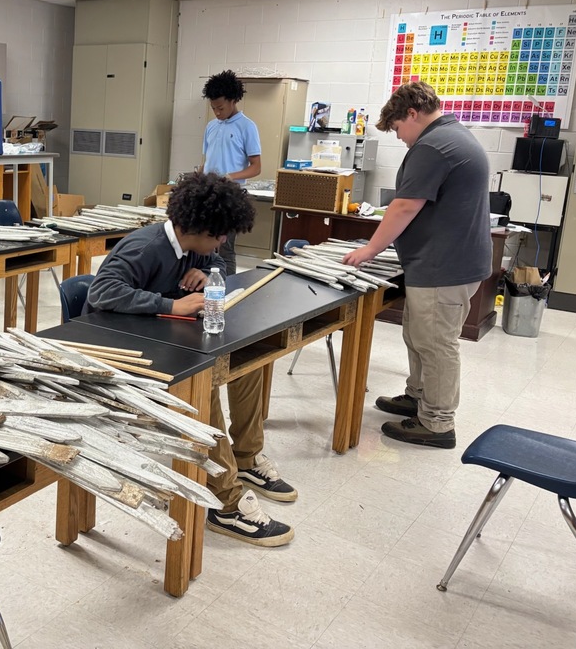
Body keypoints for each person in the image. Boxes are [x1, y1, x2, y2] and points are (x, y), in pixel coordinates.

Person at [85, 171, 296, 547]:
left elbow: (221, 265)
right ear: (197, 226)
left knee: (248, 361)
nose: (223, 241)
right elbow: (102, 293)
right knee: (203, 384)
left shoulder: (195, 246)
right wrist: (172, 304)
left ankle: (246, 459)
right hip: (120, 348)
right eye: (219, 235)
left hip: (161, 338)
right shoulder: (146, 247)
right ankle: (227, 503)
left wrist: (208, 270)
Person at [342, 82, 491, 449]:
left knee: (437, 343)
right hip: (443, 263)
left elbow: (406, 205)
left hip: (445, 267)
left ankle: (437, 422)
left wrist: (371, 250)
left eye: (397, 129)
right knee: (420, 334)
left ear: (411, 114)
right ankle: (418, 397)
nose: (401, 138)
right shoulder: (452, 135)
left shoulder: (434, 146)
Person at [201, 70, 262, 275]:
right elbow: (207, 160)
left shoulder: (247, 127)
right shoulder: (211, 126)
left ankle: (229, 293)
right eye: (213, 108)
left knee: (225, 248)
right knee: (201, 245)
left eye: (220, 107)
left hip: (230, 196)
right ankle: (201, 288)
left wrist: (230, 176)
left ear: (234, 100)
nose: (217, 112)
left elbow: (256, 167)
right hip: (208, 194)